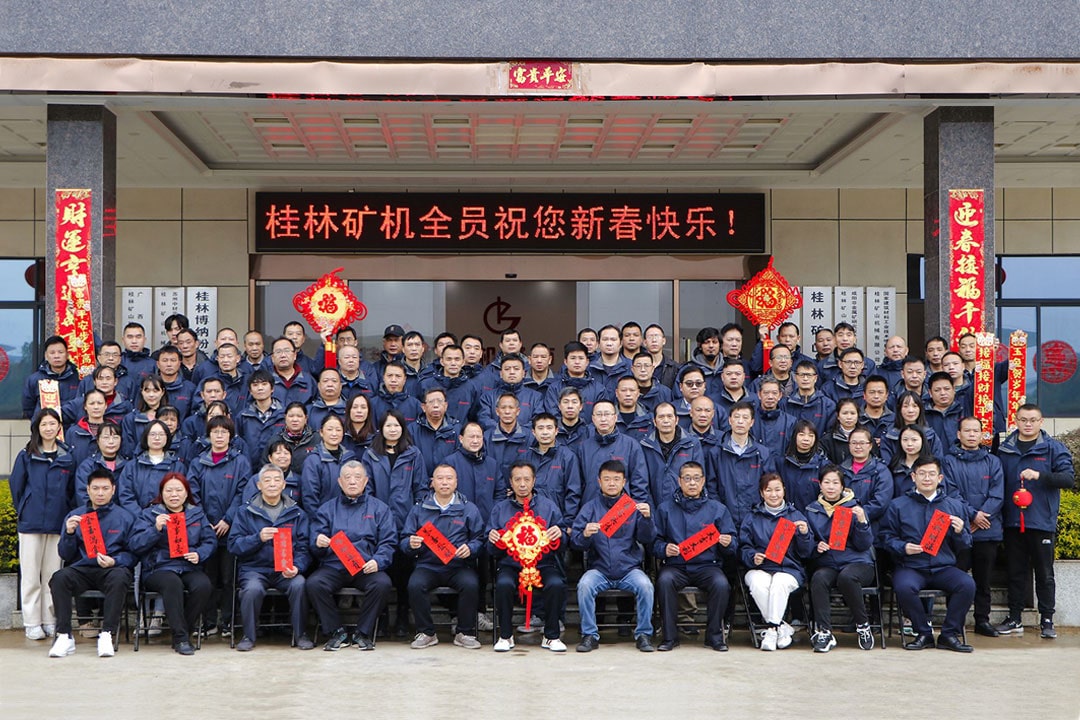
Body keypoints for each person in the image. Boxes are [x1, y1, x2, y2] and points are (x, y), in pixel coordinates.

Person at [995, 404, 1075, 639]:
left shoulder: (1052, 448)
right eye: (1023, 420)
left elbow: (1068, 479)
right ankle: (1015, 617)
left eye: (1032, 420)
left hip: (1041, 520)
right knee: (1015, 572)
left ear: (1041, 422)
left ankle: (1047, 620)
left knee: (1044, 573)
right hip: (1013, 520)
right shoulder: (1005, 449)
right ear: (1015, 421)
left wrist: (1039, 475)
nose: (1027, 424)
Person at [879, 457, 975, 652]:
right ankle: (923, 633)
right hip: (911, 566)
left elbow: (965, 545)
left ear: (940, 478)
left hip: (943, 566)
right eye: (922, 474)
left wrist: (960, 532)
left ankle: (949, 634)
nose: (927, 478)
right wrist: (903, 547)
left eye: (932, 474)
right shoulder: (898, 505)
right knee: (904, 587)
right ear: (913, 477)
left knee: (967, 584)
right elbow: (885, 538)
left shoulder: (954, 506)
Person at [47, 468, 136, 658]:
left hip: (111, 569)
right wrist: (69, 533)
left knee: (120, 577)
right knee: (59, 578)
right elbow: (65, 554)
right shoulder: (75, 516)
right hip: (83, 569)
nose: (100, 493)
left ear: (113, 489)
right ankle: (64, 635)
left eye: (105, 488)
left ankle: (107, 633)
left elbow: (133, 554)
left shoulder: (125, 517)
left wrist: (115, 560)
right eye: (95, 488)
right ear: (87, 489)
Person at [307, 461, 396, 651]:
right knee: (314, 583)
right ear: (340, 482)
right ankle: (335, 632)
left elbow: (388, 542)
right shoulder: (327, 509)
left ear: (366, 481)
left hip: (365, 566)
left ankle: (362, 632)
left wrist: (378, 561)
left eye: (357, 477)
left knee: (382, 583)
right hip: (335, 565)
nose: (352, 482)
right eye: (347, 478)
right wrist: (318, 542)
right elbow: (315, 542)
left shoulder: (380, 509)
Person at [571, 459, 657, 653]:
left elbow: (647, 539)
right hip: (599, 569)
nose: (611, 483)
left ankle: (643, 634)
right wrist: (584, 534)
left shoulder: (632, 507)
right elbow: (575, 542)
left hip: (629, 569)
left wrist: (647, 519)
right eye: (607, 479)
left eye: (616, 479)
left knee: (646, 586)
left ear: (624, 482)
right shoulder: (590, 508)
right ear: (599, 481)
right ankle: (589, 635)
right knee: (585, 585)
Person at [227, 464, 315, 651]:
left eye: (277, 480)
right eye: (267, 480)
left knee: (299, 584)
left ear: (284, 485)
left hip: (285, 569)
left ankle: (301, 634)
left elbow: (304, 547)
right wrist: (257, 538)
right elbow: (234, 545)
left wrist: (297, 567)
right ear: (259, 485)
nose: (272, 484)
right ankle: (248, 636)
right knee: (252, 590)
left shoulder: (297, 512)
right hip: (254, 569)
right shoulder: (245, 511)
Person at [653, 461, 737, 651]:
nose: (692, 483)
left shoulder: (717, 509)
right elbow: (654, 542)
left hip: (707, 566)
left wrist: (728, 542)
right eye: (687, 478)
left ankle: (714, 637)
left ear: (703, 481)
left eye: (696, 478)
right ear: (679, 481)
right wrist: (664, 548)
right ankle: (669, 638)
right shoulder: (665, 509)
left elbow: (733, 544)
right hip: (676, 566)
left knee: (721, 584)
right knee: (664, 581)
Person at [129, 472, 216, 655]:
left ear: (186, 493)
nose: (174, 495)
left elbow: (210, 541)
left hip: (188, 565)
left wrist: (199, 554)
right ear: (162, 493)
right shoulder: (150, 514)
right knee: (172, 583)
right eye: (169, 490)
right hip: (159, 567)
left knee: (203, 585)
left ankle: (183, 631)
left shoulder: (197, 514)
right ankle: (181, 638)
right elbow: (135, 544)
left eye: (179, 490)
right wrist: (155, 529)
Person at [401, 464, 486, 650]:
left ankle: (464, 632)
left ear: (456, 482)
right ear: (432, 482)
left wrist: (470, 548)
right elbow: (404, 539)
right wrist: (410, 543)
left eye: (449, 478)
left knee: (471, 584)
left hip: (458, 566)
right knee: (415, 585)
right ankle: (427, 632)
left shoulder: (468, 509)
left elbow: (480, 538)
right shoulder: (419, 509)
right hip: (428, 565)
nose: (444, 482)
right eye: (440, 478)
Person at [9, 408, 76, 640]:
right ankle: (31, 622)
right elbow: (17, 487)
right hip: (31, 523)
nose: (48, 428)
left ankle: (49, 619)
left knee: (52, 575)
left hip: (57, 523)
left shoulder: (67, 456)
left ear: (59, 427)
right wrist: (26, 509)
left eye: (52, 424)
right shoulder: (27, 455)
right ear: (37, 428)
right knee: (30, 576)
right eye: (44, 424)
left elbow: (71, 491)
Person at [487, 461, 568, 652]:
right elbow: (490, 549)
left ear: (534, 481)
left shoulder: (548, 507)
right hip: (511, 564)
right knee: (504, 584)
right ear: (511, 482)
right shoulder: (500, 509)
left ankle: (551, 636)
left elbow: (563, 541)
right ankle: (505, 636)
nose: (522, 484)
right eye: (517, 480)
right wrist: (492, 539)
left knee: (556, 584)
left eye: (526, 479)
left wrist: (560, 534)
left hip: (542, 564)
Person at [941, 416, 1005, 638]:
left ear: (982, 434)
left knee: (983, 579)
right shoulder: (948, 461)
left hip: (987, 530)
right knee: (956, 578)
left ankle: (982, 620)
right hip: (959, 529)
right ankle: (954, 622)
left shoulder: (993, 461)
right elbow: (950, 493)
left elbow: (997, 494)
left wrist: (980, 517)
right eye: (966, 431)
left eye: (975, 431)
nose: (971, 435)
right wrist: (971, 515)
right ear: (958, 434)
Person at [739, 472, 813, 651]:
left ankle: (771, 630)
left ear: (784, 491)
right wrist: (752, 556)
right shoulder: (752, 517)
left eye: (777, 490)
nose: (774, 494)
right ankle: (781, 627)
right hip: (761, 568)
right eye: (768, 490)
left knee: (779, 582)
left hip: (789, 569)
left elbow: (806, 552)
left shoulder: (795, 516)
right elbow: (743, 547)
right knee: (757, 582)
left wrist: (804, 535)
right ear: (761, 493)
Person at [805, 465, 876, 652]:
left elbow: (864, 544)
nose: (831, 487)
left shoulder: (854, 508)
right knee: (818, 578)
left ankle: (863, 626)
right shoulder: (812, 510)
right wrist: (816, 546)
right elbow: (807, 544)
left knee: (847, 577)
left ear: (843, 486)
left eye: (835, 483)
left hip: (857, 562)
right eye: (827, 482)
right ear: (820, 485)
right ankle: (825, 632)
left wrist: (862, 522)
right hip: (828, 562)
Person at [568, 400, 650, 520]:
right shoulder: (583, 447)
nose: (603, 419)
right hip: (591, 513)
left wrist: (634, 514)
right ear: (593, 419)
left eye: (607, 414)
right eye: (599, 414)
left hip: (622, 515)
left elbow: (640, 483)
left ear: (615, 417)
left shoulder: (631, 445)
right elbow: (576, 486)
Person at [640, 402, 705, 506]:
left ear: (676, 420)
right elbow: (642, 482)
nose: (666, 420)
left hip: (685, 507)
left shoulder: (692, 444)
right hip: (655, 507)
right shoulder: (645, 446)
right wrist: (651, 509)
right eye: (661, 417)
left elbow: (699, 479)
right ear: (654, 422)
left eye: (669, 416)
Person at [117, 419, 186, 512]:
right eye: (153, 434)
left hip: (168, 517)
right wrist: (141, 516)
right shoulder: (132, 466)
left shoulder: (177, 466)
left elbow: (182, 495)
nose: (157, 438)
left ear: (167, 438)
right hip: (137, 517)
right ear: (146, 437)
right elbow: (125, 495)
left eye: (161, 434)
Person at [300, 414, 356, 514]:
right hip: (323, 516)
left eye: (338, 430)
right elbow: (309, 497)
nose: (334, 433)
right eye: (330, 429)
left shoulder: (350, 458)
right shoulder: (313, 460)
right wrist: (319, 519)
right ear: (321, 432)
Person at [22, 335, 81, 419]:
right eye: (52, 353)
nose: (56, 356)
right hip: (45, 425)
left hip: (72, 425)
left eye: (60, 352)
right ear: (46, 356)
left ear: (67, 355)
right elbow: (28, 408)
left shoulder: (78, 378)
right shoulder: (34, 379)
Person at [237, 369, 286, 467]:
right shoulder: (243, 416)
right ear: (250, 391)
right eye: (255, 385)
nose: (260, 388)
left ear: (272, 388)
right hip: (249, 467)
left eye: (264, 384)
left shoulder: (284, 414)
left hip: (278, 468)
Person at [420, 343, 477, 424]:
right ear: (442, 361)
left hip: (460, 431)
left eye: (457, 359)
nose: (453, 363)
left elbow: (474, 416)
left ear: (463, 362)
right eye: (449, 359)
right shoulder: (426, 384)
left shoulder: (471, 387)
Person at [778, 420, 828, 513]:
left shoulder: (823, 465)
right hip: (786, 515)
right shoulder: (782, 463)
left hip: (813, 516)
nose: (806, 439)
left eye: (811, 435)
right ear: (794, 436)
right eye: (801, 434)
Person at [409, 388, 460, 474]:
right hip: (420, 480)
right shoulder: (412, 430)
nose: (436, 405)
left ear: (446, 406)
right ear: (423, 407)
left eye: (440, 401)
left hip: (448, 480)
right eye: (431, 401)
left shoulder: (456, 429)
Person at [780, 360, 836, 437]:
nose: (805, 379)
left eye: (809, 375)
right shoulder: (784, 404)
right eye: (802, 375)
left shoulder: (828, 405)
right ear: (795, 377)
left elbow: (830, 433)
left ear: (815, 378)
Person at [268, 335, 315, 406]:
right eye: (278, 352)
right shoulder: (266, 381)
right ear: (272, 358)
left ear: (295, 355)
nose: (283, 355)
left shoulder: (308, 380)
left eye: (287, 351)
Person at [643, 324, 679, 389]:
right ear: (645, 342)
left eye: (657, 336)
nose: (654, 340)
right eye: (650, 337)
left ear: (664, 341)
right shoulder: (638, 366)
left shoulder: (674, 367)